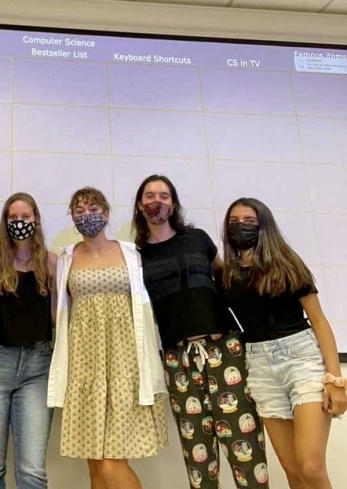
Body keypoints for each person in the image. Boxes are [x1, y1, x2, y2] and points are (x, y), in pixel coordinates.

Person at [132, 175, 269, 489]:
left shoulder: (198, 238)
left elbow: (226, 281)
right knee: (198, 457)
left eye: (164, 196)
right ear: (140, 205)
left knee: (244, 448)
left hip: (224, 349)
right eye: (150, 196)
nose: (157, 201)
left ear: (174, 203)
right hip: (177, 358)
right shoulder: (136, 256)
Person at [221, 197, 347, 489]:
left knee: (311, 467)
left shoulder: (286, 262)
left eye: (249, 222)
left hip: (301, 358)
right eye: (234, 222)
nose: (241, 227)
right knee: (293, 470)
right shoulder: (227, 272)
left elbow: (319, 321)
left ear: (264, 225)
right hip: (260, 365)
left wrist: (335, 379)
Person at [47, 187, 167, 489]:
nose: (87, 215)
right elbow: (58, 314)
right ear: (72, 217)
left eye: (93, 209)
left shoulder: (131, 253)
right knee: (96, 465)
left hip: (125, 363)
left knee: (113, 464)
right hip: (85, 366)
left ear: (107, 213)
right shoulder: (67, 258)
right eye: (80, 210)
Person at [0, 192, 56, 489]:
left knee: (32, 472)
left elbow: (56, 316)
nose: (19, 223)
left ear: (36, 220)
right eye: (13, 218)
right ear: (5, 222)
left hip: (38, 368)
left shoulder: (51, 262)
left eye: (25, 217)